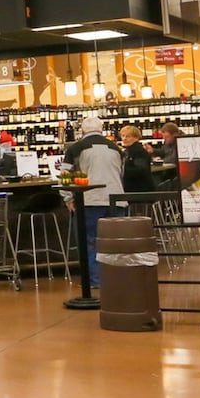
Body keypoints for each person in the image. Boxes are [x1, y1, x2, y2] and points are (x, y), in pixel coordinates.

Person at [64, 115, 124, 291]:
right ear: (102, 129)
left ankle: (95, 280)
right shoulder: (116, 148)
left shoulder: (76, 148)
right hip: (117, 200)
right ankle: (116, 278)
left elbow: (66, 175)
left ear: (82, 131)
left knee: (90, 242)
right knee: (114, 242)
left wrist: (68, 198)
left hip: (89, 200)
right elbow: (121, 175)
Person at [119, 124, 155, 194]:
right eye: (123, 136)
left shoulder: (138, 151)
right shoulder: (128, 150)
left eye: (128, 136)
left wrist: (122, 170)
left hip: (140, 191)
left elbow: (140, 170)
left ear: (136, 138)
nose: (124, 139)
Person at [154, 122, 182, 190]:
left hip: (175, 173)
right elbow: (163, 151)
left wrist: (161, 161)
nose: (164, 139)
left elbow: (174, 158)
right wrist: (153, 151)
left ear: (175, 134)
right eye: (163, 137)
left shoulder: (181, 142)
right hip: (169, 171)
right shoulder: (169, 142)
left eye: (166, 137)